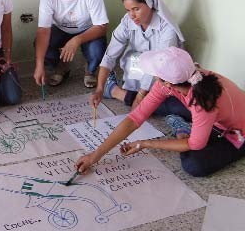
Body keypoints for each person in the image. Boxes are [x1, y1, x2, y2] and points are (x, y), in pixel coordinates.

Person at [77, 47, 245, 177]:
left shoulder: (203, 102)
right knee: (162, 106)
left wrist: (144, 143)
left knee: (194, 164)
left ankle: (184, 130)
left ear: (167, 83)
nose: (155, 79)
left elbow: (194, 145)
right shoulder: (188, 79)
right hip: (211, 115)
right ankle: (190, 129)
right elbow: (135, 117)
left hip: (236, 131)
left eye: (156, 76)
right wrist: (95, 155)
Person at [94, 0, 190, 119]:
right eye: (128, 10)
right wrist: (99, 88)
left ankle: (117, 92)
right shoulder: (128, 21)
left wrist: (139, 97)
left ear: (150, 4)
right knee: (135, 60)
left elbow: (159, 65)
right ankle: (125, 93)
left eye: (136, 9)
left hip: (165, 74)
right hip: (140, 67)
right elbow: (111, 53)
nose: (132, 15)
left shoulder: (166, 27)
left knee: (174, 103)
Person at [34, 0, 109, 88]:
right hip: (61, 29)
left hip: (88, 30)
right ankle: (62, 66)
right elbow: (43, 31)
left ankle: (90, 70)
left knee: (97, 52)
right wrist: (39, 65)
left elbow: (102, 27)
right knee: (42, 47)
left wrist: (76, 40)